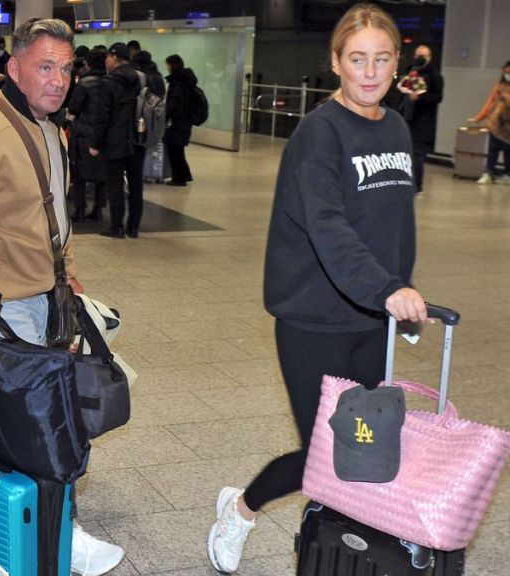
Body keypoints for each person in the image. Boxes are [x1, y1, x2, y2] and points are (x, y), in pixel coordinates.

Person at [206, 5, 429, 574]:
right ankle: (241, 507)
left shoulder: (399, 127)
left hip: (372, 320)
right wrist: (384, 288)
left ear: (396, 63)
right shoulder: (319, 135)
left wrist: (397, 294)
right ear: (336, 63)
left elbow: (394, 223)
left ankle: (342, 550)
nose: (371, 72)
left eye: (382, 59)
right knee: (326, 455)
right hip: (313, 321)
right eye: (358, 59)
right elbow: (330, 229)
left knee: (365, 450)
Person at [0, 18, 125, 576]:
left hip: (49, 300)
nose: (58, 80)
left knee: (42, 417)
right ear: (13, 68)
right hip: (2, 310)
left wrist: (70, 272)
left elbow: (51, 216)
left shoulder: (49, 127)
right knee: (39, 424)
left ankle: (32, 527)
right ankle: (57, 536)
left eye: (65, 68)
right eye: (45, 66)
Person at [96, 43, 141, 239]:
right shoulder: (141, 79)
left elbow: (103, 116)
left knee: (115, 185)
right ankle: (133, 227)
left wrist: (96, 143)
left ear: (113, 57)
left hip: (115, 140)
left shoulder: (109, 82)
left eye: (108, 57)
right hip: (137, 139)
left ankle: (117, 227)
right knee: (136, 184)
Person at [67, 49, 108, 221]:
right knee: (101, 174)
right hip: (104, 133)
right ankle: (98, 209)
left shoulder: (84, 83)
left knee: (79, 173)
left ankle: (80, 209)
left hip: (83, 133)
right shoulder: (110, 81)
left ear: (88, 63)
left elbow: (75, 107)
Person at [397, 44, 444, 192]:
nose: (418, 58)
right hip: (406, 117)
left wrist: (420, 96)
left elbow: (437, 98)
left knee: (417, 153)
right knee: (404, 151)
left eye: (422, 56)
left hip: (422, 121)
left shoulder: (436, 77)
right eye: (416, 55)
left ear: (429, 58)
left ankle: (417, 185)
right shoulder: (410, 72)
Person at [471, 59, 510, 185]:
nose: (507, 75)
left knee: (508, 152)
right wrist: (479, 117)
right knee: (492, 150)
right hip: (495, 124)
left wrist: (507, 98)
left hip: (508, 127)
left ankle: (508, 175)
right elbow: (490, 103)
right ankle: (488, 173)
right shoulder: (499, 86)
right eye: (505, 72)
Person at [164, 54, 198, 186]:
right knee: (178, 150)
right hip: (184, 120)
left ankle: (179, 178)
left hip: (177, 122)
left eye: (167, 64)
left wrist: (166, 117)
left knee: (175, 150)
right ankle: (183, 175)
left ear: (172, 65)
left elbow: (174, 104)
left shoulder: (178, 83)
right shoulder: (185, 80)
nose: (166, 67)